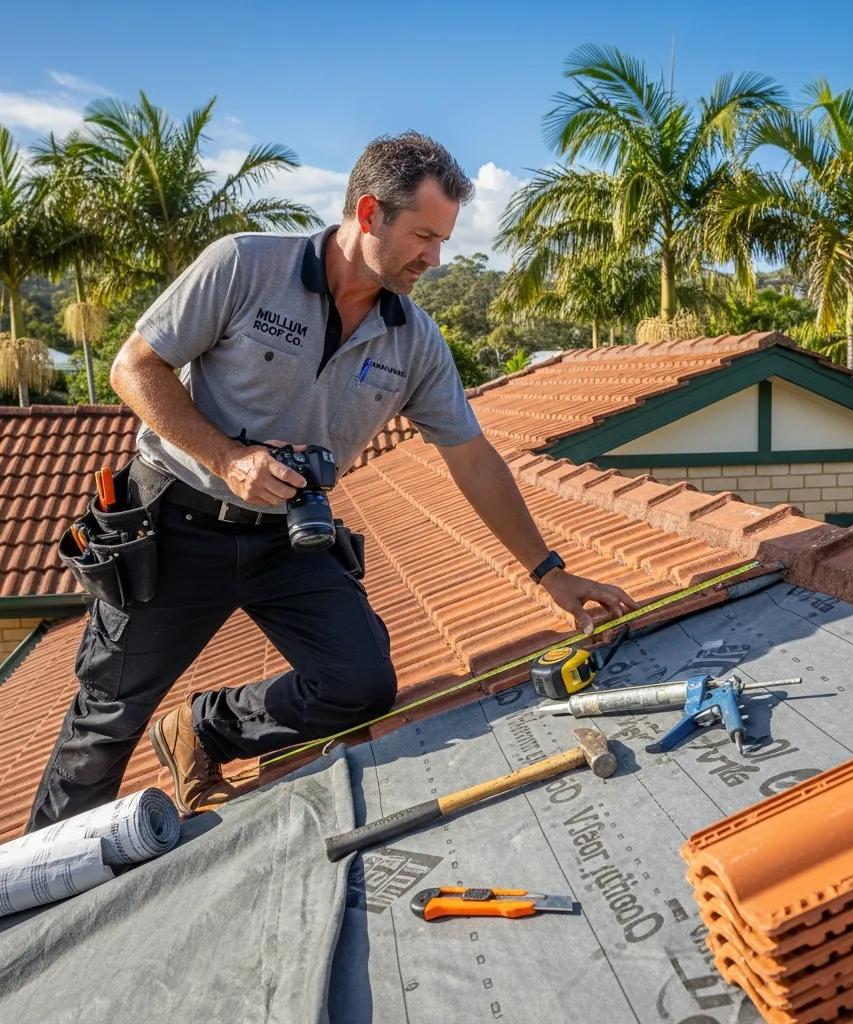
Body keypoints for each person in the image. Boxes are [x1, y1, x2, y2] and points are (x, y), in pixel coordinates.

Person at [26, 131, 636, 831]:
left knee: (360, 685)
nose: (435, 259)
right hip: (176, 524)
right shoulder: (245, 267)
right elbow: (133, 369)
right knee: (105, 728)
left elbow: (472, 457)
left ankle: (205, 731)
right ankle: (34, 905)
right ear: (370, 213)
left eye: (443, 241)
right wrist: (228, 458)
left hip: (291, 535)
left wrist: (549, 572)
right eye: (423, 236)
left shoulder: (415, 341)